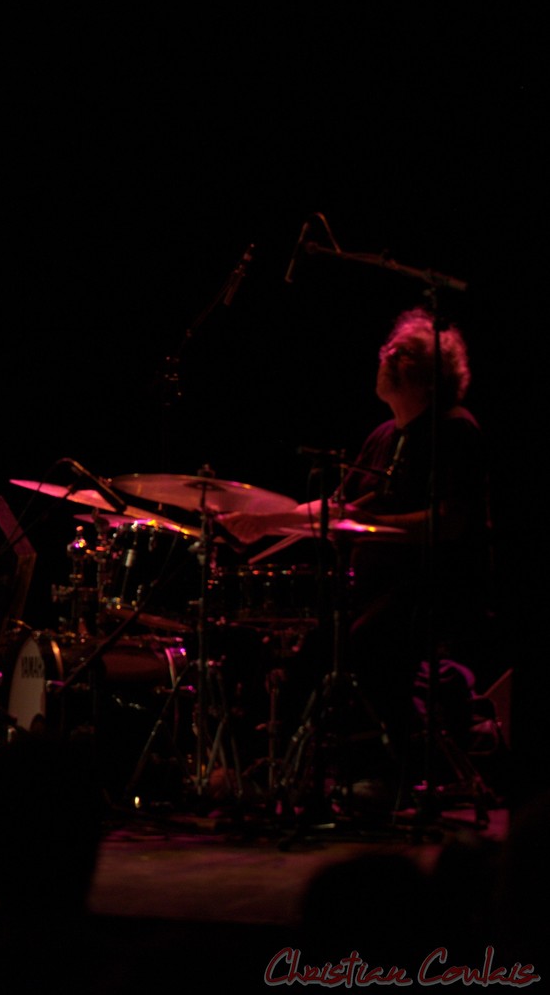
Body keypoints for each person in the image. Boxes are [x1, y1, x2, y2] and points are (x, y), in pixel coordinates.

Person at [223, 308, 490, 798]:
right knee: (312, 655)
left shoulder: (454, 431)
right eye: (389, 352)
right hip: (375, 591)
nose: (384, 359)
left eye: (398, 353)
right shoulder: (383, 437)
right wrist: (264, 521)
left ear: (424, 375)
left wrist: (372, 525)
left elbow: (449, 521)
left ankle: (393, 771)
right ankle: (299, 775)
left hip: (433, 588)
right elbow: (337, 508)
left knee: (366, 648)